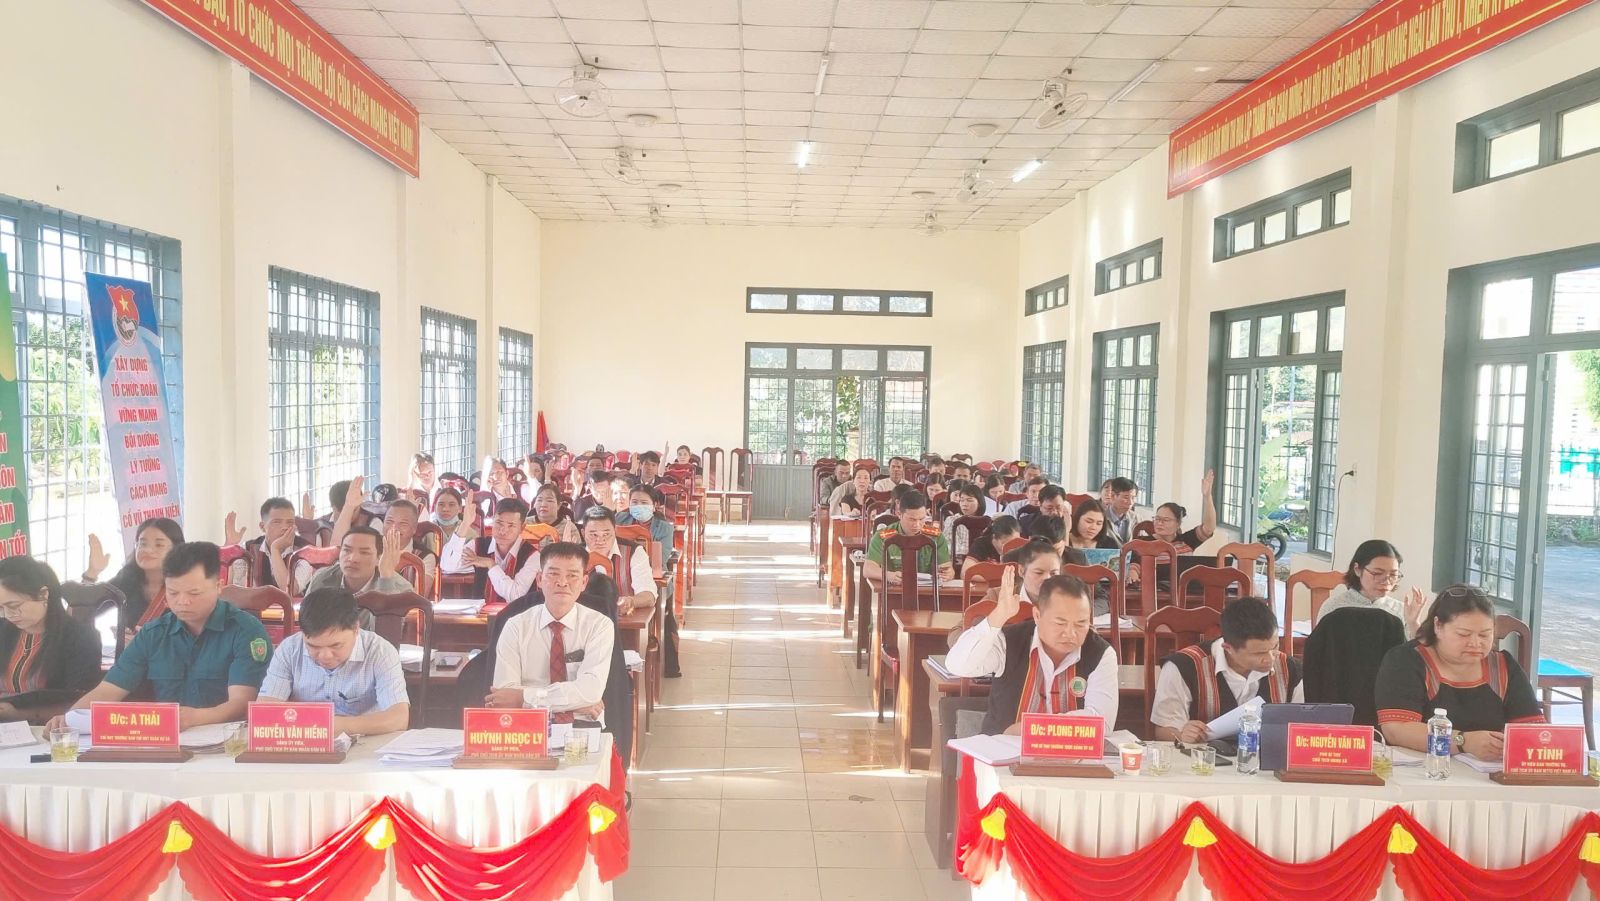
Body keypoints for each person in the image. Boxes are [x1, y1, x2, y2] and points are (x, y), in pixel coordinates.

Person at [46, 542, 271, 732]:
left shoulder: (246, 632)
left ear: (218, 586)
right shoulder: (154, 634)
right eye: (173, 593)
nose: (182, 601)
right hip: (163, 739)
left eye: (194, 593)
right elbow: (108, 690)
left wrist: (192, 718)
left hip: (226, 740)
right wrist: (69, 717)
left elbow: (241, 704)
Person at [1375, 585, 1543, 759]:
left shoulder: (1503, 666)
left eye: (1485, 635)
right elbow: (1396, 729)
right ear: (1438, 626)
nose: (1475, 643)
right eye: (1464, 634)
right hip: (1425, 767)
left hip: (1489, 769)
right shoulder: (1406, 660)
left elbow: (1533, 729)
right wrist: (1463, 741)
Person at [946, 570, 1117, 736]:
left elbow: (1102, 722)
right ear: (1037, 615)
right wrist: (998, 616)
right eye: (1060, 623)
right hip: (1003, 749)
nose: (1070, 633)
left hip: (1069, 753)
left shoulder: (1100, 653)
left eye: (1080, 624)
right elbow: (958, 666)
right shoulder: (1009, 641)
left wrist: (1030, 727)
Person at [487, 542, 615, 723]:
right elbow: (505, 695)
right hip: (527, 725)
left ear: (584, 582)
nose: (562, 582)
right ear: (539, 579)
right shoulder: (515, 626)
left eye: (572, 575)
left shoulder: (599, 625)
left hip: (583, 723)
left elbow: (590, 691)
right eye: (553, 574)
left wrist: (524, 698)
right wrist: (576, 703)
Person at [257, 586, 410, 736]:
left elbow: (399, 718)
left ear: (356, 629)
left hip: (366, 740)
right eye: (313, 646)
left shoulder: (380, 651)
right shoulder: (289, 649)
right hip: (306, 740)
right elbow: (265, 710)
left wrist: (334, 725)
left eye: (336, 645)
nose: (325, 656)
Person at [1151, 597, 1302, 742]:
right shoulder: (1184, 666)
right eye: (1258, 653)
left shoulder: (1291, 670)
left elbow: (1303, 727)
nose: (1270, 659)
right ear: (1228, 648)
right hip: (1202, 756)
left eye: (1275, 647)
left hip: (1266, 757)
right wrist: (1182, 735)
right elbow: (1163, 730)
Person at [0, 556, 102, 723]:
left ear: (43, 594)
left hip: (49, 727)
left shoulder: (79, 638)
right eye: (0, 608)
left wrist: (18, 714)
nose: (7, 615)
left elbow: (80, 702)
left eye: (14, 606)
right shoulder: (3, 630)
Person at [617, 484, 681, 677]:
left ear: (654, 506)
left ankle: (668, 665)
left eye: (644, 503)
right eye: (634, 502)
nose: (638, 506)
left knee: (665, 619)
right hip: (621, 575)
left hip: (654, 579)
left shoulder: (664, 528)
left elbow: (661, 559)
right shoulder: (619, 520)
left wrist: (636, 556)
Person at [82, 517, 184, 637]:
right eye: (143, 543)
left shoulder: (187, 586)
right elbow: (81, 613)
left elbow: (194, 639)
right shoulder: (127, 579)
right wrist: (92, 573)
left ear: (176, 549)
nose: (147, 550)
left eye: (159, 544)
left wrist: (142, 643)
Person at [1316, 539, 1427, 636]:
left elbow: (1415, 651)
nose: (1387, 581)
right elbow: (1319, 648)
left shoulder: (1400, 610)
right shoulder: (1334, 607)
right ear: (1357, 569)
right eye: (1377, 573)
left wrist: (1413, 623)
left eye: (1393, 574)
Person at [441, 498, 540, 606]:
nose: (503, 531)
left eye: (511, 525)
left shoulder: (532, 555)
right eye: (499, 523)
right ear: (492, 521)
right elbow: (447, 566)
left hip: (519, 615)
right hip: (481, 614)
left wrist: (491, 564)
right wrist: (465, 524)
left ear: (522, 528)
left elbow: (514, 595)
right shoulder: (479, 545)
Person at [862, 490, 954, 585]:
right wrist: (888, 575)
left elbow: (947, 568)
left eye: (921, 519)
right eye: (912, 519)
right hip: (894, 589)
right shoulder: (883, 536)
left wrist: (948, 574)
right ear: (899, 514)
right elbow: (868, 569)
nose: (917, 525)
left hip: (928, 589)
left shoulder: (935, 537)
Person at [580, 507, 656, 617]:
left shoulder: (634, 552)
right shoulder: (574, 556)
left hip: (623, 620)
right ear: (583, 533)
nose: (600, 540)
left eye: (606, 534)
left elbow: (649, 595)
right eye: (593, 535)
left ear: (615, 531)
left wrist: (631, 601)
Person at [225, 497, 312, 591]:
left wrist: (275, 549)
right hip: (255, 600)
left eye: (290, 522)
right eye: (277, 522)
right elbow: (227, 587)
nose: (285, 527)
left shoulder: (305, 551)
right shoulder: (248, 549)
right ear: (262, 527)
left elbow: (290, 590)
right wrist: (229, 548)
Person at [304, 526, 415, 599]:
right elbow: (306, 620)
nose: (353, 558)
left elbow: (390, 626)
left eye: (364, 552)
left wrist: (386, 580)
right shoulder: (322, 578)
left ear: (379, 559)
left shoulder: (401, 588)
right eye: (347, 550)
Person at [1151, 470, 1217, 553]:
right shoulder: (1142, 543)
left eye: (1166, 520)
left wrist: (1207, 496)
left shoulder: (1186, 540)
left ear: (1178, 523)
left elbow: (1209, 528)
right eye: (1157, 519)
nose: (1160, 523)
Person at [942, 483, 987, 550]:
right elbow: (948, 547)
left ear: (979, 503)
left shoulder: (986, 521)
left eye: (969, 500)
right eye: (962, 500)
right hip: (959, 556)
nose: (964, 504)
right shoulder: (952, 520)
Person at [1100, 477, 1139, 545]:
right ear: (1113, 496)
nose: (1130, 502)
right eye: (1126, 497)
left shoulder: (1135, 518)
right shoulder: (1101, 517)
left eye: (1133, 498)